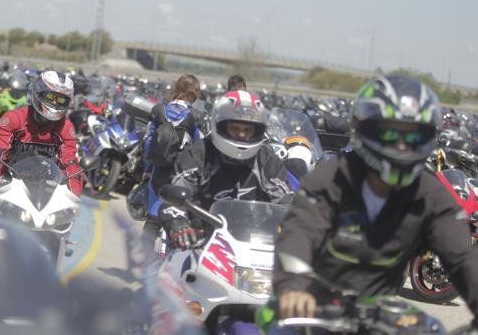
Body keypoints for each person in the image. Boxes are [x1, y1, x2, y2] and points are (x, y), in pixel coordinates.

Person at [272, 75, 478, 326]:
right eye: (391, 133)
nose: (402, 146)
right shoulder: (330, 178)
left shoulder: (432, 195)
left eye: (413, 137)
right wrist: (294, 284)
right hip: (312, 309)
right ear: (365, 129)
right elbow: (299, 232)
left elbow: (462, 258)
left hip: (381, 317)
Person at [163, 90, 291, 250]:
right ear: (220, 126)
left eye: (248, 130)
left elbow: (285, 201)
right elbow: (174, 195)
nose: (242, 135)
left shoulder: (266, 158)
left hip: (253, 242)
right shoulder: (198, 154)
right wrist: (178, 223)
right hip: (200, 241)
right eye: (235, 128)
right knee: (174, 269)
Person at [0, 70, 82, 196]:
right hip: (8, 182)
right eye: (51, 97)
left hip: (45, 188)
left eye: (61, 100)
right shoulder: (13, 119)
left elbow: (70, 162)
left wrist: (75, 196)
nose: (55, 103)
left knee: (68, 214)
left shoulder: (65, 127)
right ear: (38, 93)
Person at [140, 74, 204, 247]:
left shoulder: (159, 110)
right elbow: (200, 149)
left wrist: (147, 168)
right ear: (195, 92)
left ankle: (142, 259)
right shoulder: (195, 117)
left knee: (153, 218)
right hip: (181, 175)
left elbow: (147, 142)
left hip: (158, 170)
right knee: (176, 217)